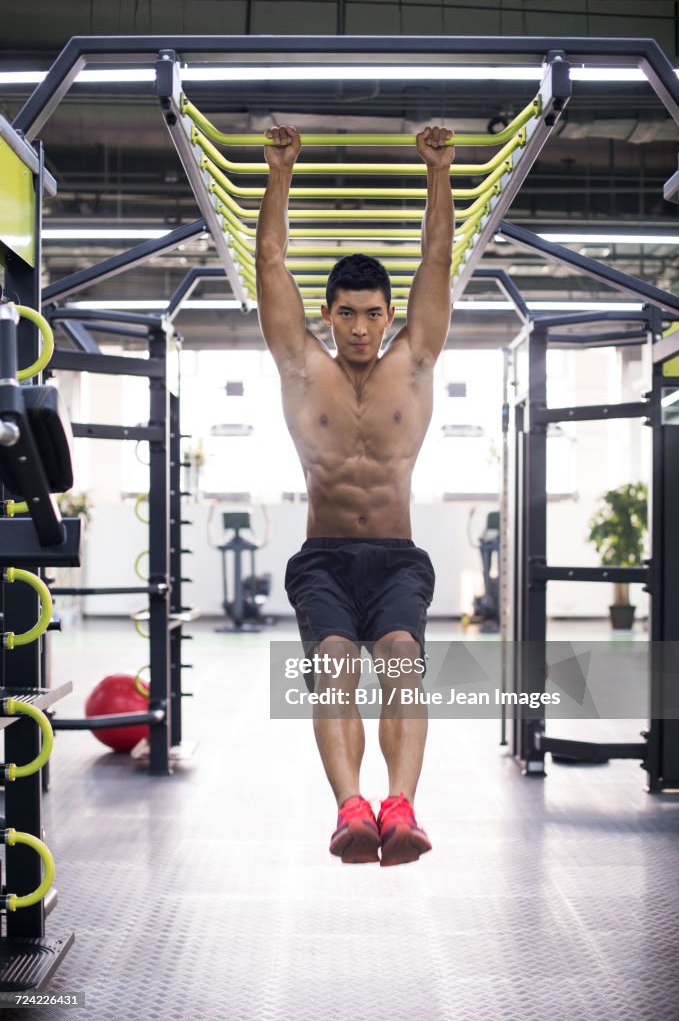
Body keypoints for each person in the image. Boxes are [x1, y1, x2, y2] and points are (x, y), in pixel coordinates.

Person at [255, 123, 454, 866]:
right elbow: (271, 261)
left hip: (399, 557)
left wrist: (438, 173)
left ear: (389, 314)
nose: (363, 328)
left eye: (375, 313)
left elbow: (438, 256)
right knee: (335, 664)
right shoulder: (303, 368)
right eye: (349, 313)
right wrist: (282, 173)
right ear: (328, 314)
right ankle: (351, 810)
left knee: (401, 660)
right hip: (325, 557)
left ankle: (400, 807)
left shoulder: (417, 359)